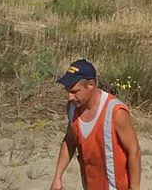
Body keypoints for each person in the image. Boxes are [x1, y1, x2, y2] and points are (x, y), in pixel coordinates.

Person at [51, 59, 142, 190]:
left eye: (74, 91)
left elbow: (134, 150)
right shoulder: (72, 108)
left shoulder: (116, 112)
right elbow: (70, 141)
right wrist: (57, 178)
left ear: (91, 85)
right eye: (67, 91)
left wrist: (135, 187)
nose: (69, 97)